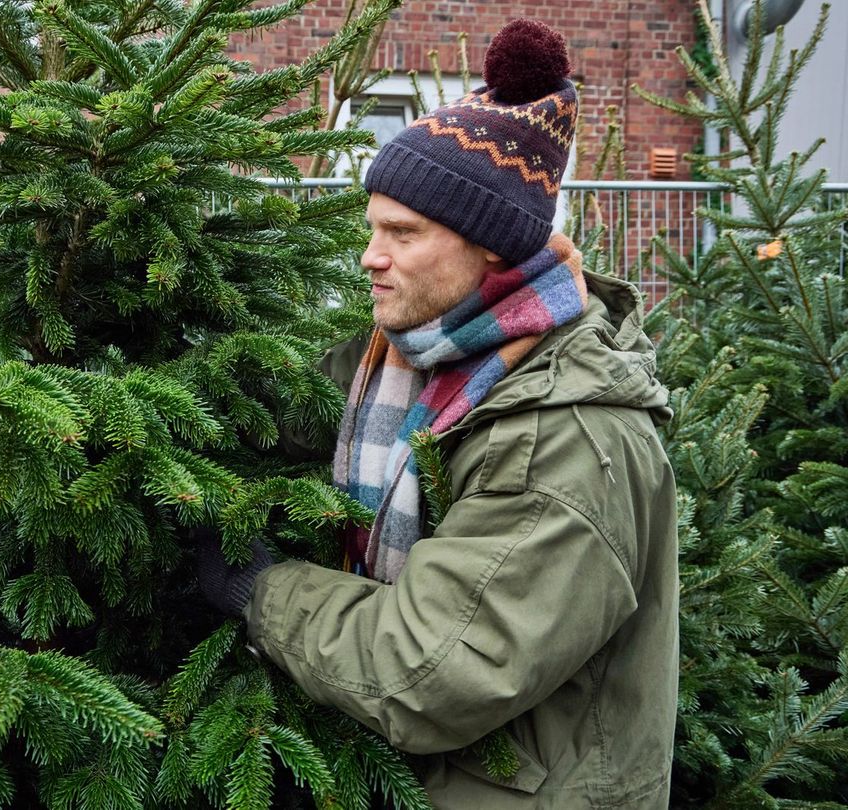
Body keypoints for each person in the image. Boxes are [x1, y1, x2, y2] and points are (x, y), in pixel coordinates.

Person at [198, 20, 678, 808]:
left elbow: (431, 669)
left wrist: (258, 590)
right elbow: (275, 413)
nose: (369, 255)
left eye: (402, 233)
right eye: (370, 228)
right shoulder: (412, 351)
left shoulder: (566, 437)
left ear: (489, 246)